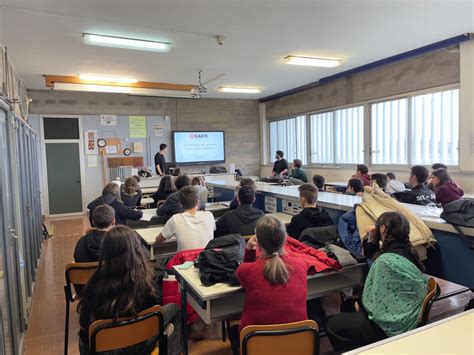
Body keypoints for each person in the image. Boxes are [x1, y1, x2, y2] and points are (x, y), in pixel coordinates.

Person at [326, 212, 427, 352]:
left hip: (391, 326)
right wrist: (374, 234)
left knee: (332, 323)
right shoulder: (409, 252)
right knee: (347, 305)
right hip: (407, 316)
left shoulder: (385, 261)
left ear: (383, 229)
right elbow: (370, 252)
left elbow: (374, 299)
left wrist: (360, 304)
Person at [77, 225, 182, 355]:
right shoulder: (146, 283)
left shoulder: (94, 283)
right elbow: (154, 309)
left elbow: (85, 322)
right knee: (175, 309)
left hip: (102, 350)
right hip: (141, 347)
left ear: (105, 252)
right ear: (136, 250)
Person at [228, 216, 308, 355]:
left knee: (233, 330)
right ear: (285, 239)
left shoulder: (245, 271)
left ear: (258, 242)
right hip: (297, 344)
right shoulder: (301, 265)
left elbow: (246, 271)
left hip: (257, 344)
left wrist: (249, 249)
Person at [155, 186, 215, 251]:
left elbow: (158, 240)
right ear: (198, 202)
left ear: (180, 204)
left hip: (185, 260)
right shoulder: (209, 215)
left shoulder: (175, 219)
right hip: (207, 259)